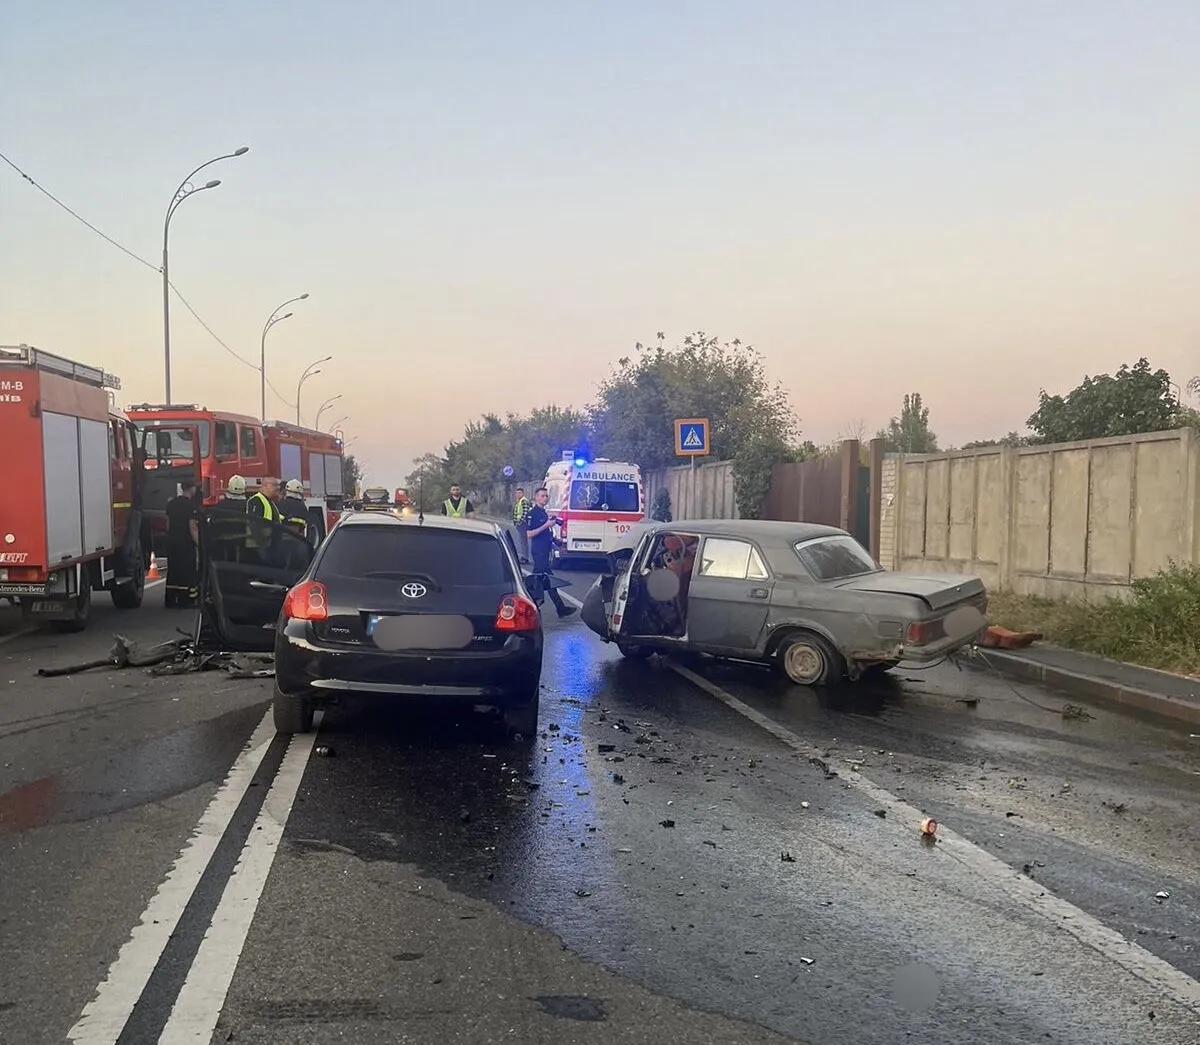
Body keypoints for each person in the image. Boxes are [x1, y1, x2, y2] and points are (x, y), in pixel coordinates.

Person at [526, 487, 576, 618]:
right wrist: (546, 525)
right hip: (539, 552)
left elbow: (546, 533)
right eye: (542, 496)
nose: (545, 498)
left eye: (546, 496)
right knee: (543, 580)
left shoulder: (543, 513)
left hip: (545, 550)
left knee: (543, 580)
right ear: (536, 497)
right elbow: (530, 533)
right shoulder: (533, 513)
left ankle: (556, 607)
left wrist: (555, 541)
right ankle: (535, 606)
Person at [164, 481, 200, 608]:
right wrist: (199, 544)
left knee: (173, 570)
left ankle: (170, 599)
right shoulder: (191, 506)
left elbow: (167, 524)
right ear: (192, 489)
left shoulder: (171, 504)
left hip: (172, 541)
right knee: (187, 570)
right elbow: (193, 528)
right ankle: (185, 600)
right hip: (185, 543)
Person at [246, 477, 283, 560]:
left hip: (269, 545)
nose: (277, 488)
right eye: (275, 485)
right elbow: (254, 524)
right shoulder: (256, 500)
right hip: (259, 547)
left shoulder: (269, 501)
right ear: (267, 485)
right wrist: (261, 547)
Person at [512, 487, 531, 562]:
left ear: (523, 493)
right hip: (519, 524)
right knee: (522, 541)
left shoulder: (524, 501)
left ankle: (525, 558)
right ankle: (524, 556)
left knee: (523, 541)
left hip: (523, 524)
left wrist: (519, 522)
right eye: (517, 493)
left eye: (519, 493)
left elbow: (525, 513)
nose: (518, 494)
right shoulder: (519, 501)